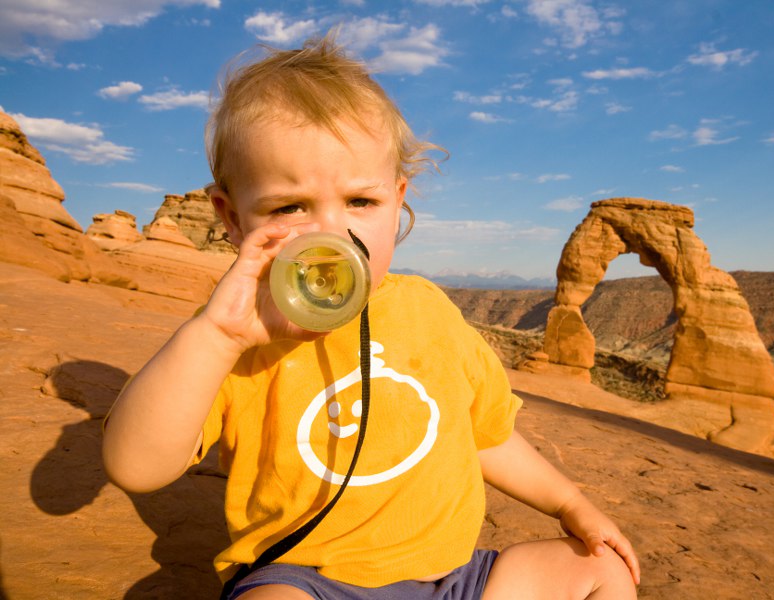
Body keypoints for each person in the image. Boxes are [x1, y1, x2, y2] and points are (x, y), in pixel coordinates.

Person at [102, 33, 640, 600]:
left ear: (397, 198)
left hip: (454, 579)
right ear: (231, 218)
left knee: (600, 572)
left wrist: (571, 504)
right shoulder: (236, 333)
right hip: (312, 580)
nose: (333, 232)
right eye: (289, 207)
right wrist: (215, 337)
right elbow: (136, 468)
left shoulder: (428, 311)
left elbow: (484, 436)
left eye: (361, 201)